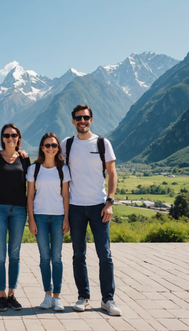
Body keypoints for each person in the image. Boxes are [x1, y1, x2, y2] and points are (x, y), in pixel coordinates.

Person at [60, 104, 122, 316]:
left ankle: (108, 299)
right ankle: (83, 297)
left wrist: (110, 202)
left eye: (85, 117)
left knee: (105, 254)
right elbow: (48, 159)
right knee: (79, 254)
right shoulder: (66, 144)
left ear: (91, 119)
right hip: (75, 207)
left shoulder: (103, 143)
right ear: (73, 121)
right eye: (78, 118)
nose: (82, 121)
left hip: (99, 206)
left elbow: (112, 173)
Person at [0, 123, 30, 312]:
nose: (10, 138)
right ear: (2, 138)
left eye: (14, 135)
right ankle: (1, 295)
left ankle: (12, 294)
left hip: (19, 210)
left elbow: (31, 188)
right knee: (0, 255)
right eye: (7, 135)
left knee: (15, 254)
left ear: (18, 137)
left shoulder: (25, 160)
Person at [26, 133, 70, 312]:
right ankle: (47, 294)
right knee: (44, 258)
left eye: (54, 145)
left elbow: (66, 195)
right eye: (47, 145)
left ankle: (57, 297)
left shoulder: (63, 169)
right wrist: (31, 220)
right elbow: (29, 196)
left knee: (57, 258)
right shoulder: (33, 169)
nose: (50, 148)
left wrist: (67, 218)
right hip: (40, 217)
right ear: (41, 148)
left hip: (59, 216)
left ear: (58, 147)